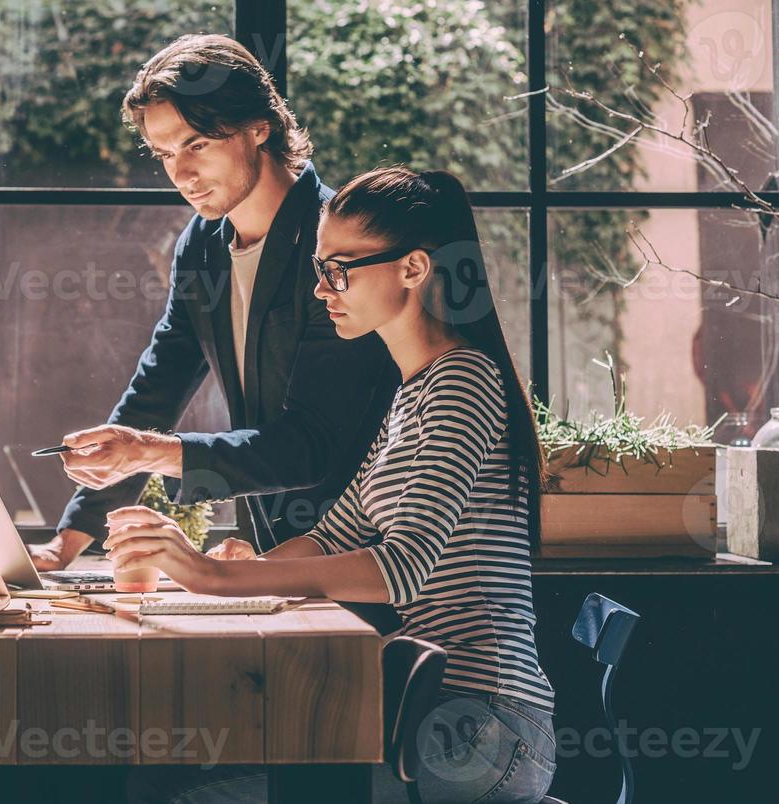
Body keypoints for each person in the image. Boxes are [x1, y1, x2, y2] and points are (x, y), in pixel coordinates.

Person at [109, 166, 558, 804]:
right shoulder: (413, 393)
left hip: (483, 729)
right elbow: (329, 537)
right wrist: (247, 567)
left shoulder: (465, 381)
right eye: (320, 268)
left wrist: (213, 579)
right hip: (427, 713)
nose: (323, 290)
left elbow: (400, 569)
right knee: (161, 773)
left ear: (412, 268)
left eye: (340, 269)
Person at [27, 33, 400, 569]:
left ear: (258, 127)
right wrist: (64, 544)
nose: (181, 175)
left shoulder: (339, 247)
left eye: (197, 145)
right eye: (165, 154)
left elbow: (313, 444)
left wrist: (147, 451)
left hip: (364, 556)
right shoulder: (202, 246)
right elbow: (156, 390)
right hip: (265, 553)